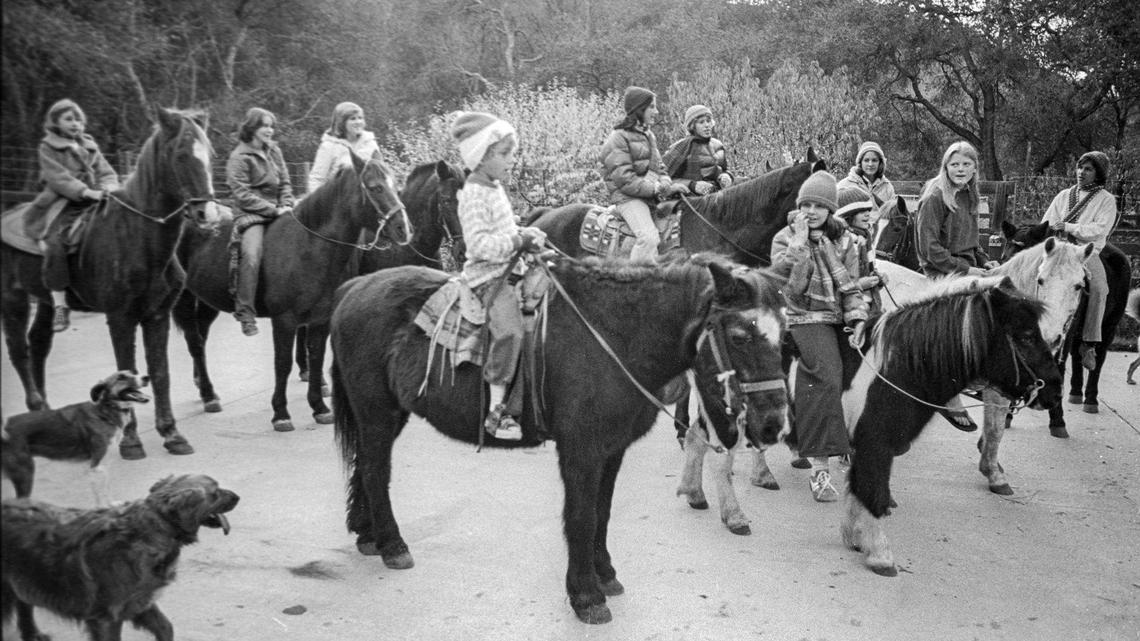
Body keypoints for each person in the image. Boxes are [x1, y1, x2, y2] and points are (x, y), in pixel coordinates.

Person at [770, 171, 868, 502]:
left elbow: (852, 288)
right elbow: (791, 292)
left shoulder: (845, 241)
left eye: (818, 205)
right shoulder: (784, 238)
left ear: (830, 209)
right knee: (826, 376)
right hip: (801, 316)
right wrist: (799, 246)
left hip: (838, 317)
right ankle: (820, 471)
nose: (810, 211)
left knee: (861, 374)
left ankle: (847, 448)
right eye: (805, 204)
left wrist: (858, 320)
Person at [450, 111, 547, 441]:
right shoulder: (475, 193)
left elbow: (503, 230)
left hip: (510, 267)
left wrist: (525, 233)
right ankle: (497, 410)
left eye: (511, 154)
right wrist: (518, 241)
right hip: (488, 276)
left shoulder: (493, 186)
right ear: (483, 156)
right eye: (504, 154)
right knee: (510, 331)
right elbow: (479, 244)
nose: (511, 161)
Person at [33, 99, 121, 332]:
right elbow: (58, 178)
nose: (76, 124)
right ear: (56, 122)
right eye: (69, 119)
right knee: (55, 244)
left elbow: (106, 171)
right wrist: (85, 191)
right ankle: (60, 306)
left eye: (78, 119)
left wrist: (110, 187)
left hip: (97, 199)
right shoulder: (48, 147)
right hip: (63, 201)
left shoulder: (89, 144)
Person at [1041, 151, 1117, 371]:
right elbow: (1048, 221)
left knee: (1100, 288)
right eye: (1080, 168)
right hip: (1060, 249)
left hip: (1086, 253)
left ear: (1098, 173)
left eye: (1088, 169)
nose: (1081, 173)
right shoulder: (1065, 195)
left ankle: (1089, 342)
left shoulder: (1106, 200)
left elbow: (1099, 229)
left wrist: (1068, 227)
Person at [599, 86, 689, 261]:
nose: (656, 111)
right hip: (627, 198)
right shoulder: (617, 138)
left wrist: (666, 183)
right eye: (652, 107)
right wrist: (657, 188)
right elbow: (625, 180)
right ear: (639, 109)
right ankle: (636, 281)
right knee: (648, 238)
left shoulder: (649, 135)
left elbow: (659, 167)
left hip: (648, 196)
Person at [227, 107, 295, 337]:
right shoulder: (239, 157)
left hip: (279, 210)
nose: (269, 130)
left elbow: (285, 182)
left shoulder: (274, 150)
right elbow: (242, 194)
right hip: (250, 214)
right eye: (264, 125)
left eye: (271, 125)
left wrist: (285, 204)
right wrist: (273, 210)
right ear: (252, 129)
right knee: (252, 255)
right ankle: (245, 312)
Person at [914, 141, 999, 277]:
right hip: (942, 272)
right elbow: (929, 248)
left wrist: (984, 261)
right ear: (946, 168)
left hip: (967, 267)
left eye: (966, 164)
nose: (961, 169)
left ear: (975, 168)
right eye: (954, 164)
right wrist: (966, 270)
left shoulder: (969, 195)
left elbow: (971, 243)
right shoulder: (934, 197)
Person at [306, 101, 381, 194]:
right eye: (353, 119)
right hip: (338, 200)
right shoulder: (329, 146)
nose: (358, 122)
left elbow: (381, 175)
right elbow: (317, 179)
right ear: (341, 123)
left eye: (360, 118)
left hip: (367, 200)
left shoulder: (370, 143)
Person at [662, 104, 734, 196]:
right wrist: (692, 185)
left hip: (718, 196)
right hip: (691, 199)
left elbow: (724, 169)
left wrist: (726, 176)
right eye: (701, 122)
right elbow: (663, 179)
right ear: (692, 126)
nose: (707, 125)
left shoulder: (718, 145)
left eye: (708, 121)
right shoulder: (681, 147)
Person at [835, 187, 885, 315]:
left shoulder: (866, 238)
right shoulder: (840, 242)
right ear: (847, 216)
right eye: (861, 211)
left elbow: (869, 269)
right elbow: (834, 283)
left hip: (868, 305)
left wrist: (878, 279)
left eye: (868, 210)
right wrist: (860, 285)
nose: (867, 214)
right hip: (846, 311)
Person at [836, 141, 896, 222]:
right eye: (866, 160)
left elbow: (893, 217)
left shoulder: (887, 187)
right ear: (860, 162)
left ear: (880, 163)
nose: (870, 164)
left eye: (874, 160)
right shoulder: (844, 185)